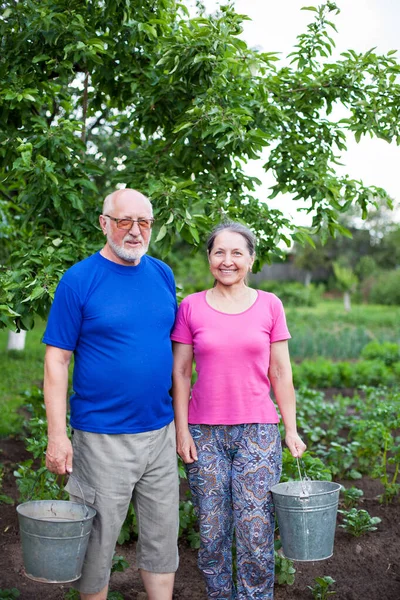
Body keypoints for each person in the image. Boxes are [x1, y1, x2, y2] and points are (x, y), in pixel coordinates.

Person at [42, 189, 179, 600]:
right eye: (125, 222)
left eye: (144, 222)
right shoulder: (79, 279)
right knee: (97, 548)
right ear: (104, 223)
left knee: (162, 541)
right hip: (102, 438)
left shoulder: (162, 274)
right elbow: (56, 362)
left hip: (160, 432)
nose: (136, 231)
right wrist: (56, 434)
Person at [171, 221, 306, 600]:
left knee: (255, 530)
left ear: (250, 259)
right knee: (212, 531)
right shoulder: (190, 307)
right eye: (219, 252)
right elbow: (181, 372)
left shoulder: (270, 305)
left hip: (258, 431)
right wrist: (182, 431)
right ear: (209, 258)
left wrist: (291, 430)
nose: (227, 260)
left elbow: (280, 371)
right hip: (203, 434)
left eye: (236, 253)